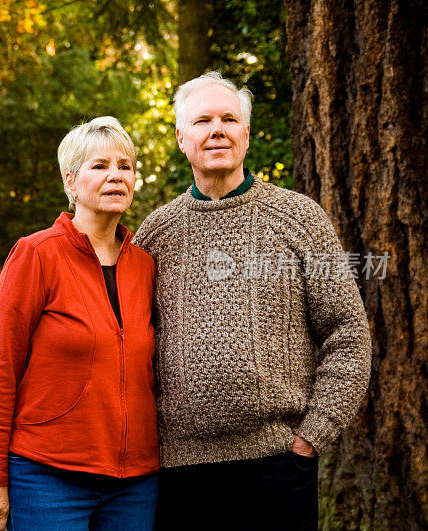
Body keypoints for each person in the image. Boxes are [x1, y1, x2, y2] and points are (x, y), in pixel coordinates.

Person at [133, 71, 372, 531]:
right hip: (179, 474)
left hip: (279, 467)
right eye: (202, 120)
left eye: (229, 119)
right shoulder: (154, 235)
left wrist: (312, 436)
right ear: (182, 138)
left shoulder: (299, 219)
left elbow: (348, 333)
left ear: (246, 133)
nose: (217, 129)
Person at [0, 116, 160, 531]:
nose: (116, 176)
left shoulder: (144, 265)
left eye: (125, 166)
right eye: (100, 166)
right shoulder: (36, 254)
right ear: (71, 182)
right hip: (48, 476)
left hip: (135, 481)